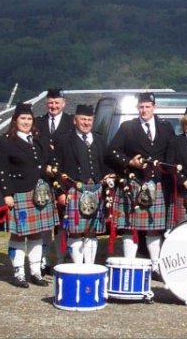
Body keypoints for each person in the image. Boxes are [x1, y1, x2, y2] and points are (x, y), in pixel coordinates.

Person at [107, 92, 174, 275]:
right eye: (141, 107)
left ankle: (156, 266)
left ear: (154, 107)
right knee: (130, 227)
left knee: (155, 229)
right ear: (137, 108)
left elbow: (172, 152)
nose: (144, 110)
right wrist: (129, 162)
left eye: (147, 107)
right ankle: (130, 264)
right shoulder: (128, 127)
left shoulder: (166, 127)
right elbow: (112, 151)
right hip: (135, 182)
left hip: (157, 182)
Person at [0, 102, 58, 288]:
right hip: (19, 192)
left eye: (29, 119)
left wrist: (49, 167)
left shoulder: (38, 139)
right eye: (23, 118)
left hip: (41, 193)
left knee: (37, 234)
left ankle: (36, 272)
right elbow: (2, 170)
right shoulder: (5, 142)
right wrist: (7, 194)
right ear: (15, 120)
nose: (26, 122)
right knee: (18, 235)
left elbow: (47, 160)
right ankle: (18, 273)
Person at [54, 104, 115, 264]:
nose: (86, 123)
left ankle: (89, 266)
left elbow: (106, 164)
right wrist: (60, 192)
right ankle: (77, 265)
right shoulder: (64, 140)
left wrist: (109, 176)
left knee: (92, 230)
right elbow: (56, 169)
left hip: (96, 189)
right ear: (75, 120)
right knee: (74, 230)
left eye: (89, 120)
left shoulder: (100, 139)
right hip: (74, 189)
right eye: (83, 119)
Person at [34, 88, 74, 274]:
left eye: (57, 102)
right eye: (50, 102)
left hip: (64, 178)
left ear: (63, 104)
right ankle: (42, 261)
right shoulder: (37, 123)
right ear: (46, 103)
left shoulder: (71, 121)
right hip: (42, 178)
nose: (53, 106)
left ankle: (60, 259)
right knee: (43, 223)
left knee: (61, 223)